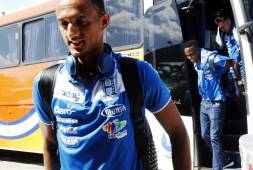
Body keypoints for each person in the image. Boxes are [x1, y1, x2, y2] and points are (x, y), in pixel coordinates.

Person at [32, 0, 191, 169]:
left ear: (104, 21)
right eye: (64, 24)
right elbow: (50, 146)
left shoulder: (138, 73)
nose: (71, 32)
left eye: (81, 22)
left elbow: (178, 133)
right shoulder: (46, 83)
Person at [184, 40, 241, 170]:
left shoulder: (211, 58)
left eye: (192, 54)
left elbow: (232, 62)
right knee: (205, 135)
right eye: (187, 56)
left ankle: (218, 167)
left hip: (216, 103)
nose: (190, 58)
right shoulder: (196, 63)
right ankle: (224, 160)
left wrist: (240, 83)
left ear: (198, 50)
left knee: (214, 137)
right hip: (204, 103)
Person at [215, 8, 244, 95]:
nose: (222, 29)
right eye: (221, 28)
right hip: (234, 74)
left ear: (229, 21)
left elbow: (236, 59)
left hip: (243, 73)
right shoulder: (225, 35)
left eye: (223, 27)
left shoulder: (238, 31)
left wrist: (240, 81)